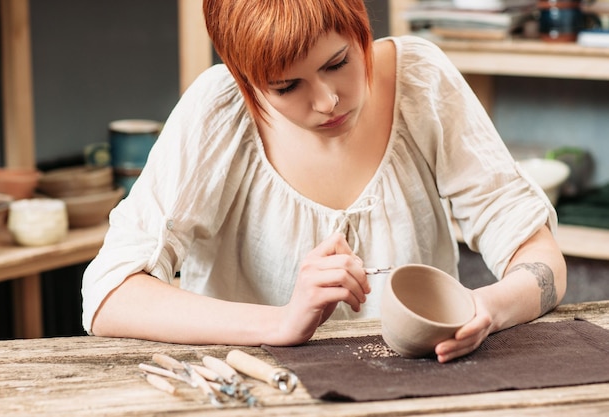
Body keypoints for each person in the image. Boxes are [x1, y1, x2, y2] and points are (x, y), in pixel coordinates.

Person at [82, 0, 566, 363]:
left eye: (338, 63)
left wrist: (485, 308)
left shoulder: (422, 81)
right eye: (287, 86)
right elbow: (108, 297)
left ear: (360, 29)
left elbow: (541, 260)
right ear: (246, 79)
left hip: (422, 391)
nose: (328, 101)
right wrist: (283, 322)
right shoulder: (219, 110)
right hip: (259, 390)